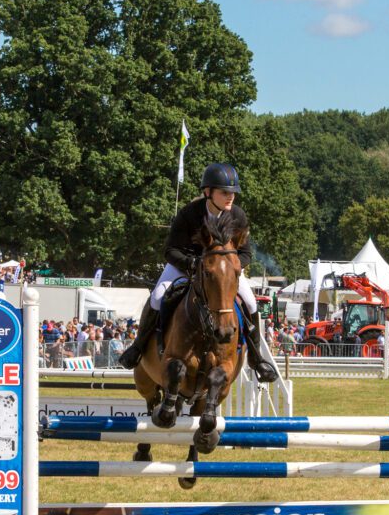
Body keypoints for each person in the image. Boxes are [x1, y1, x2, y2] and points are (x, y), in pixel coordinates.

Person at [118, 163, 278, 382]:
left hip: (223, 273)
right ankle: (138, 347)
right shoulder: (189, 214)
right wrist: (193, 264)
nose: (230, 197)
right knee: (157, 297)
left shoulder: (238, 216)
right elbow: (170, 250)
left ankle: (257, 358)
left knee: (250, 303)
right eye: (224, 192)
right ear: (207, 192)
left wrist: (231, 267)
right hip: (184, 267)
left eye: (232, 193)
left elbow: (246, 253)